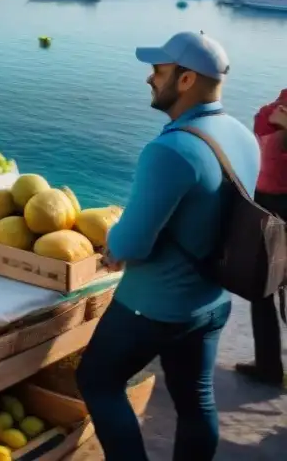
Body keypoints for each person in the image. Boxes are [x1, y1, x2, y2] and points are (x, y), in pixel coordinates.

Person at [76, 31, 259, 461]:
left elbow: (131, 244)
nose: (149, 79)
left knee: (97, 382)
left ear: (185, 80)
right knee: (196, 401)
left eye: (158, 70)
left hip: (152, 307)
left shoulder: (170, 150)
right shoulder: (241, 136)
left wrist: (112, 236)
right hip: (211, 301)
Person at [235, 90, 287, 386]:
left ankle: (268, 367)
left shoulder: (268, 113)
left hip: (270, 206)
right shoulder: (269, 114)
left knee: (263, 288)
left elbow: (261, 159)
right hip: (272, 203)